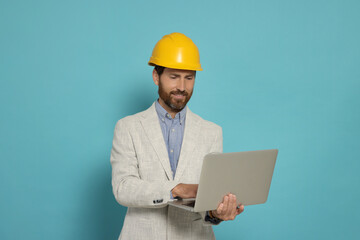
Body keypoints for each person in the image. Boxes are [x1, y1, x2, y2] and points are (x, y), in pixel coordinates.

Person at [110, 32, 244, 240]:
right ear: (156, 76)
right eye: (174, 77)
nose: (182, 87)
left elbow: (206, 197)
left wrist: (216, 213)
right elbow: (123, 188)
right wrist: (176, 189)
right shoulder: (128, 127)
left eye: (189, 78)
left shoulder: (211, 132)